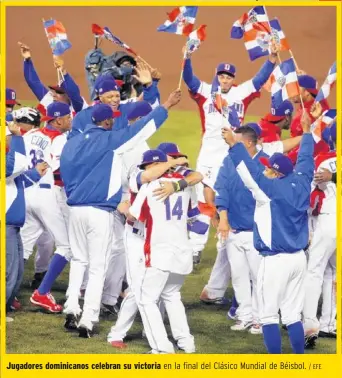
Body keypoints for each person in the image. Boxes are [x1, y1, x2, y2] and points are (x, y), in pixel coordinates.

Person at [61, 90, 181, 338]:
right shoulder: (109, 140)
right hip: (98, 212)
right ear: (105, 122)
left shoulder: (70, 144)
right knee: (97, 266)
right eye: (112, 119)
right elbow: (141, 130)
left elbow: (65, 176)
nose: (115, 121)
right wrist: (166, 104)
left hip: (74, 210)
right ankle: (88, 319)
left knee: (79, 261)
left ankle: (71, 306)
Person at [221, 110, 314, 354]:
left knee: (269, 315)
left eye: (269, 169)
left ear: (276, 172)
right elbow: (306, 159)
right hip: (299, 260)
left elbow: (249, 170)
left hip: (275, 262)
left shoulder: (268, 191)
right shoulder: (303, 181)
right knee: (293, 315)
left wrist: (234, 145)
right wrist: (306, 132)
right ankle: (298, 364)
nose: (266, 171)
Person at [181, 42, 280, 258]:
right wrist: (187, 58)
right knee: (203, 200)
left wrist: (272, 59)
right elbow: (189, 79)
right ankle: (196, 248)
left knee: (227, 197)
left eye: (228, 76)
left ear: (233, 79)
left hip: (231, 153)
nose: (224, 79)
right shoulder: (206, 91)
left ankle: (223, 246)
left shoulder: (241, 92)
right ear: (217, 76)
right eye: (221, 76)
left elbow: (259, 79)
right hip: (207, 154)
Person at [107, 147, 195, 349]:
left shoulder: (156, 186)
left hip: (155, 243)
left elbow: (132, 214)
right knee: (144, 291)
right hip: (141, 240)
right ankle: (183, 342)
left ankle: (158, 342)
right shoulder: (142, 177)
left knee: (146, 293)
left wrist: (123, 206)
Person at [215, 125, 271, 334]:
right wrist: (223, 217)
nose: (231, 144)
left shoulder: (266, 163)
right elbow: (222, 188)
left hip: (258, 233)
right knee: (239, 277)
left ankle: (261, 318)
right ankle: (245, 316)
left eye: (234, 141)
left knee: (259, 277)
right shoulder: (229, 160)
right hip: (234, 231)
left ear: (248, 143)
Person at [21, 102, 73, 313]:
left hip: (25, 193)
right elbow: (60, 171)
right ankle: (42, 293)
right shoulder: (59, 139)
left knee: (22, 247)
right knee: (67, 247)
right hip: (47, 194)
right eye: (68, 117)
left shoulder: (30, 135)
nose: (71, 120)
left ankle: (9, 295)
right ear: (58, 120)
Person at [5, 122, 48, 322]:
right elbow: (17, 166)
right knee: (7, 271)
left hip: (12, 226)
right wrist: (17, 136)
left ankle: (7, 304)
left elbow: (19, 178)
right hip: (5, 226)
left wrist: (36, 173)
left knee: (16, 270)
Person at [303, 121, 337, 347]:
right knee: (332, 273)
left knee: (314, 271)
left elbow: (313, 200)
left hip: (327, 221)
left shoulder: (323, 160)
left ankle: (310, 323)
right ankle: (328, 323)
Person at [69, 62, 160, 139]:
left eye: (117, 95)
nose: (115, 100)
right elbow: (73, 143)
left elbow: (150, 107)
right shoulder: (84, 116)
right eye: (110, 96)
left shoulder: (126, 108)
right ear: (100, 97)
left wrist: (149, 85)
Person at [18, 42, 88, 116]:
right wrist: (27, 60)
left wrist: (64, 72)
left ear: (68, 96)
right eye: (55, 92)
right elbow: (33, 82)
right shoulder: (50, 101)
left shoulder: (77, 107)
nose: (54, 95)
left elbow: (73, 92)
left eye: (59, 93)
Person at [287, 75, 330, 163]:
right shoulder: (317, 103)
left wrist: (288, 160)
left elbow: (308, 143)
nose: (292, 92)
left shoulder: (312, 113)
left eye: (296, 88)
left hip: (307, 160)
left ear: (307, 92)